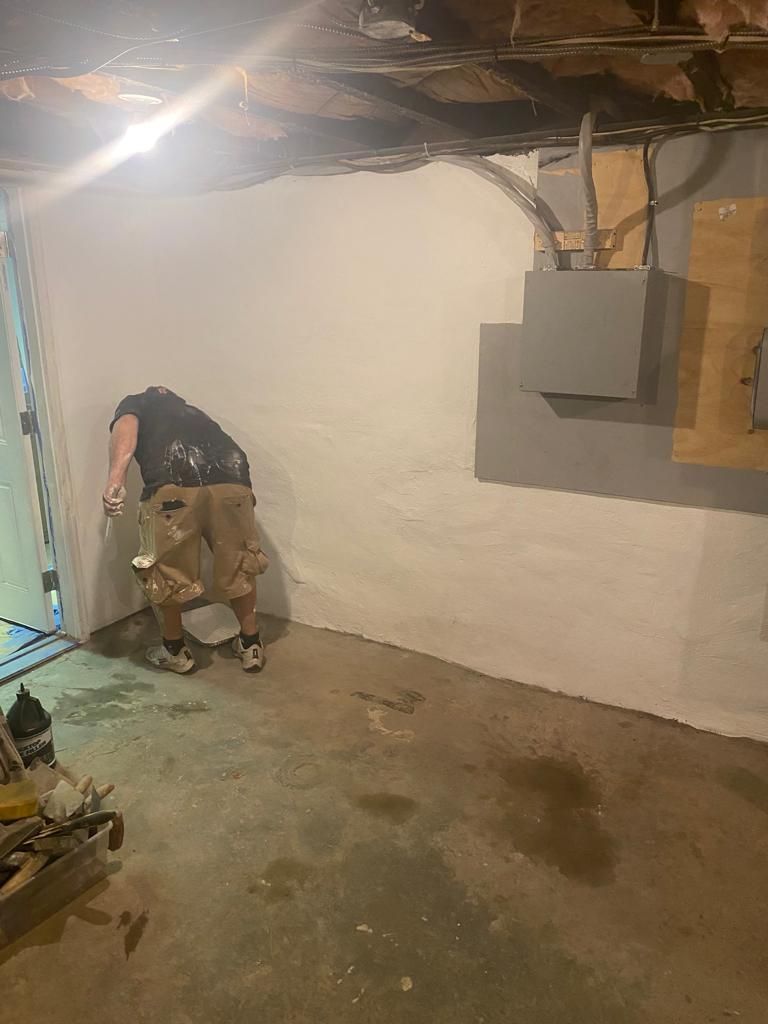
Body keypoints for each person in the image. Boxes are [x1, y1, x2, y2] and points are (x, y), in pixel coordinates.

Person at [103, 386, 269, 675]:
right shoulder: (194, 415)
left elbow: (126, 426)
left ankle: (174, 651)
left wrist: (115, 479)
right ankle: (251, 643)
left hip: (174, 488)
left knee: (166, 572)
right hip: (233, 484)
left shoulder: (138, 403)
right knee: (241, 561)